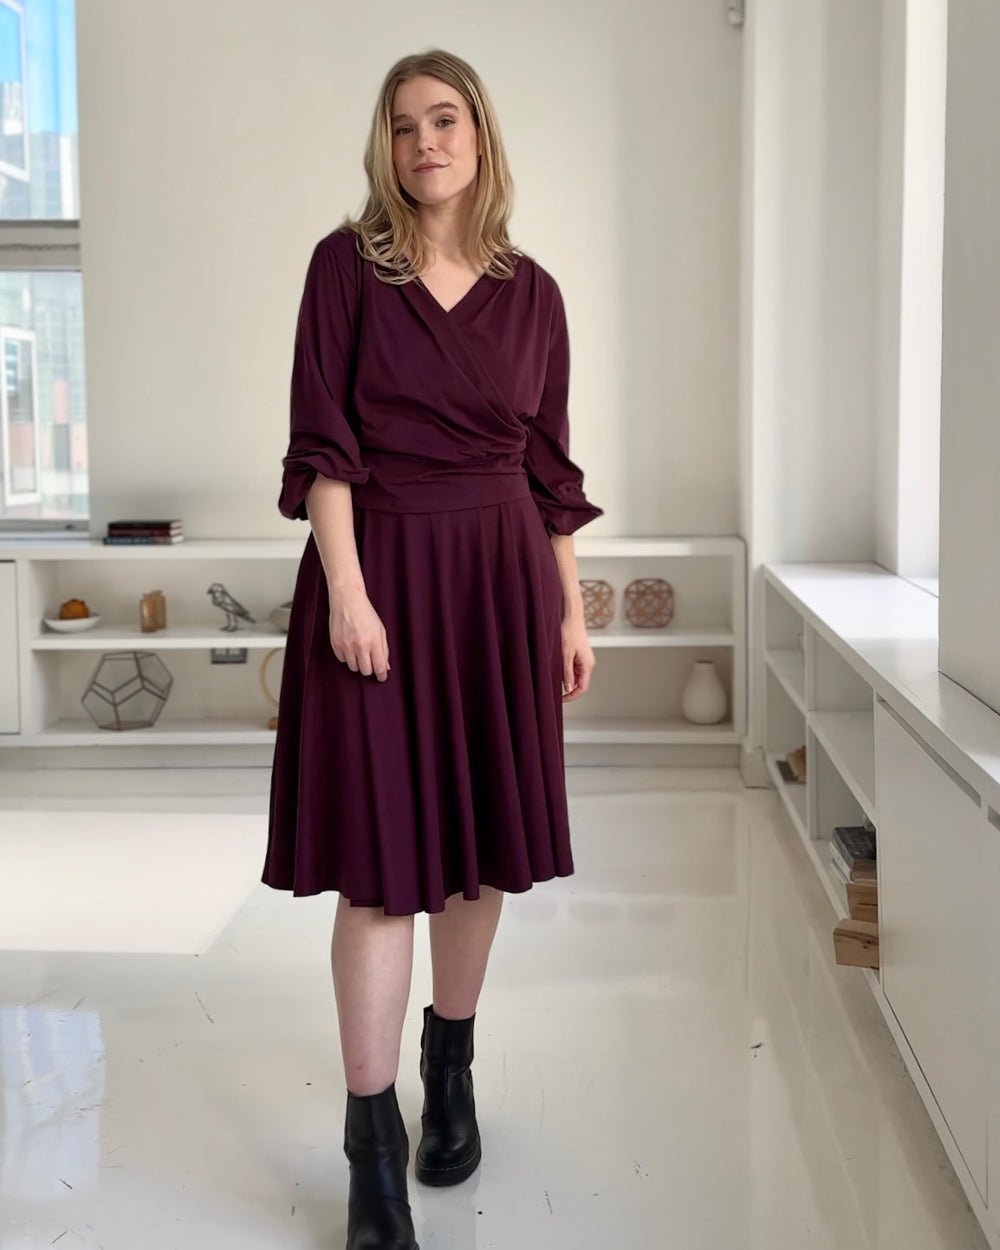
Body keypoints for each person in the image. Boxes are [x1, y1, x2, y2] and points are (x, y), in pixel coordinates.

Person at [262, 47, 603, 1250]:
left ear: (479, 135)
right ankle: (370, 1146)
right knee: (377, 863)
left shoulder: (534, 292)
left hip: (499, 582)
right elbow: (322, 444)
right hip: (383, 571)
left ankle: (446, 1064)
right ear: (386, 146)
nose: (425, 143)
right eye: (404, 126)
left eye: (444, 119)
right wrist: (347, 593)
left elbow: (549, 468)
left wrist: (568, 608)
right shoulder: (346, 269)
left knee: (477, 850)